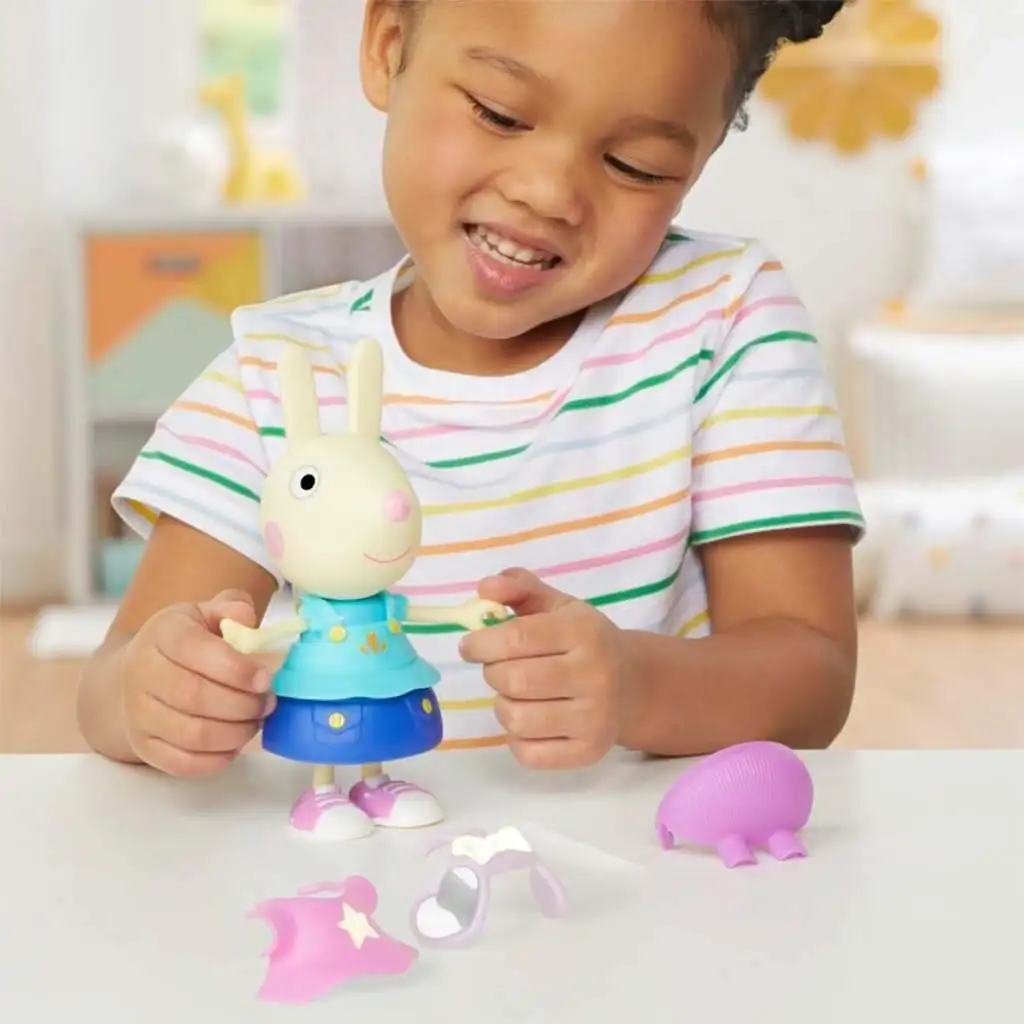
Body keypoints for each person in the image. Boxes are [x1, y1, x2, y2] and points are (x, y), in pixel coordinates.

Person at [77, 0, 862, 794]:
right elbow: (112, 684)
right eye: (500, 113)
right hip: (366, 859)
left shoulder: (721, 318)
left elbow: (812, 675)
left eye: (636, 165)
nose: (549, 193)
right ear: (389, 47)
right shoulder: (275, 376)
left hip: (646, 859)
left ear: (700, 159)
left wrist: (638, 686)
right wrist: (158, 693)